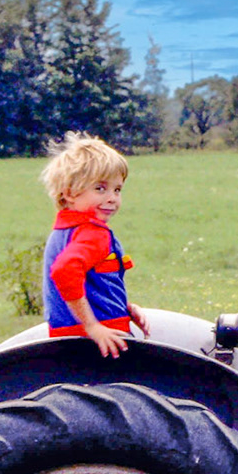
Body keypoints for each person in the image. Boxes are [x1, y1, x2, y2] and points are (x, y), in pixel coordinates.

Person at [40, 133, 147, 358]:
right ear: (69, 193)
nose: (112, 198)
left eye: (117, 190)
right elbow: (65, 272)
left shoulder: (63, 232)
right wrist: (92, 326)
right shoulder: (93, 234)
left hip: (64, 338)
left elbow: (90, 282)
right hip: (102, 341)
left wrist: (121, 306)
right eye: (100, 188)